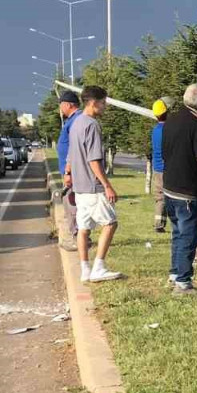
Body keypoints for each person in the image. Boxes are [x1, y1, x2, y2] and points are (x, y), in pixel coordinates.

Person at [161, 83, 197, 294]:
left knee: (177, 233)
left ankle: (174, 273)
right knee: (188, 235)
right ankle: (183, 282)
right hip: (188, 190)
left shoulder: (171, 120)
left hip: (170, 186)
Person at [67, 85, 123, 283]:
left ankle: (85, 269)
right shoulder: (91, 125)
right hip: (92, 186)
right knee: (110, 223)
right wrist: (107, 185)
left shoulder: (76, 123)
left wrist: (69, 175)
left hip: (80, 187)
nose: (105, 106)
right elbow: (94, 160)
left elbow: (71, 155)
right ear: (93, 102)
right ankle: (99, 267)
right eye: (103, 102)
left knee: (84, 228)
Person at [57, 90, 82, 251]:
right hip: (70, 171)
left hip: (73, 173)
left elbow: (74, 148)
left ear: (67, 104)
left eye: (61, 105)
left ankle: (78, 239)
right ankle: (77, 236)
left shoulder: (76, 121)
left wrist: (68, 172)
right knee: (70, 204)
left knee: (73, 205)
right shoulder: (72, 120)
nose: (60, 109)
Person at [150, 97, 171, 233]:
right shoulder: (168, 130)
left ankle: (158, 224)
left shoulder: (155, 130)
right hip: (167, 168)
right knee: (171, 196)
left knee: (159, 196)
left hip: (157, 168)